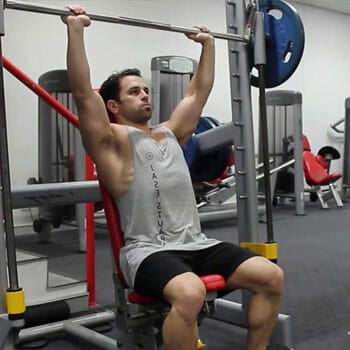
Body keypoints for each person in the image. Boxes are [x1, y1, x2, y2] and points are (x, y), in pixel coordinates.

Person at [62, 5, 284, 350]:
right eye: (134, 92)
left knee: (271, 276)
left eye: (145, 90)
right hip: (148, 252)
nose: (145, 95)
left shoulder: (171, 133)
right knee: (191, 291)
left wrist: (207, 46)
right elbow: (81, 94)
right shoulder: (111, 143)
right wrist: (76, 30)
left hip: (198, 244)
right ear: (113, 107)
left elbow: (197, 94)